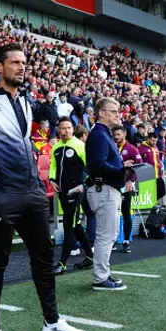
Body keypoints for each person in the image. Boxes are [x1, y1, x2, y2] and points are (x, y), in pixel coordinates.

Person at [0, 42, 85, 331]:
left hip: (31, 193)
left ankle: (51, 321)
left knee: (44, 257)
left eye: (24, 62)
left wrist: (37, 181)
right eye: (15, 62)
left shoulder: (26, 102)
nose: (21, 67)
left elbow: (23, 145)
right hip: (1, 196)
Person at [86, 97, 133, 291]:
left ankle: (103, 273)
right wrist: (121, 171)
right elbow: (97, 164)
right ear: (102, 113)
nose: (118, 114)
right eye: (114, 111)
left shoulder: (103, 133)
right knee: (106, 235)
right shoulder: (99, 134)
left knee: (109, 233)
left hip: (106, 188)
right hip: (104, 189)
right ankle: (100, 277)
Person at [49, 117, 94, 273]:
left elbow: (92, 167)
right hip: (62, 192)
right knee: (76, 225)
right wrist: (51, 179)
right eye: (63, 128)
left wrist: (85, 184)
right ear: (59, 130)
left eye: (69, 127)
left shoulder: (80, 146)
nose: (66, 131)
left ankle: (61, 264)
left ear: (73, 129)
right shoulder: (56, 147)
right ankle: (90, 256)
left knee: (68, 225)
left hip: (76, 193)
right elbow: (53, 166)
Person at [114, 125, 143, 253]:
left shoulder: (131, 149)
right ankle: (113, 240)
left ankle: (126, 241)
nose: (116, 137)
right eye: (115, 135)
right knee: (112, 214)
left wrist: (131, 180)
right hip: (113, 185)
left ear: (124, 134)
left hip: (126, 185)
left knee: (126, 213)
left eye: (118, 135)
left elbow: (139, 166)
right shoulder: (112, 147)